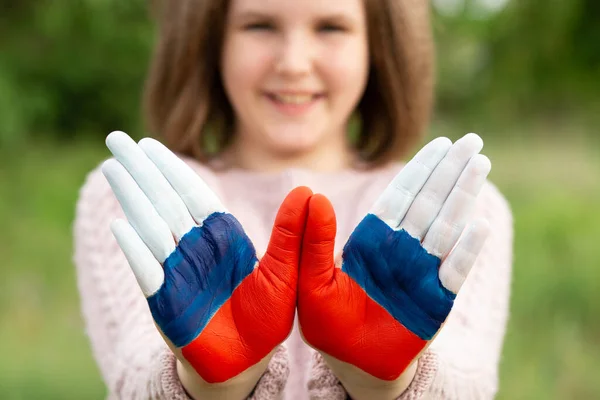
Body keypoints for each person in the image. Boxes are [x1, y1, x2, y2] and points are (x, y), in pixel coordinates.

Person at [73, 0, 513, 399]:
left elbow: (470, 381)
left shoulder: (453, 209)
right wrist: (215, 382)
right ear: (210, 38)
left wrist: (383, 381)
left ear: (379, 44)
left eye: (331, 27)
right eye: (260, 25)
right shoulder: (138, 199)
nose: (293, 63)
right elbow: (131, 374)